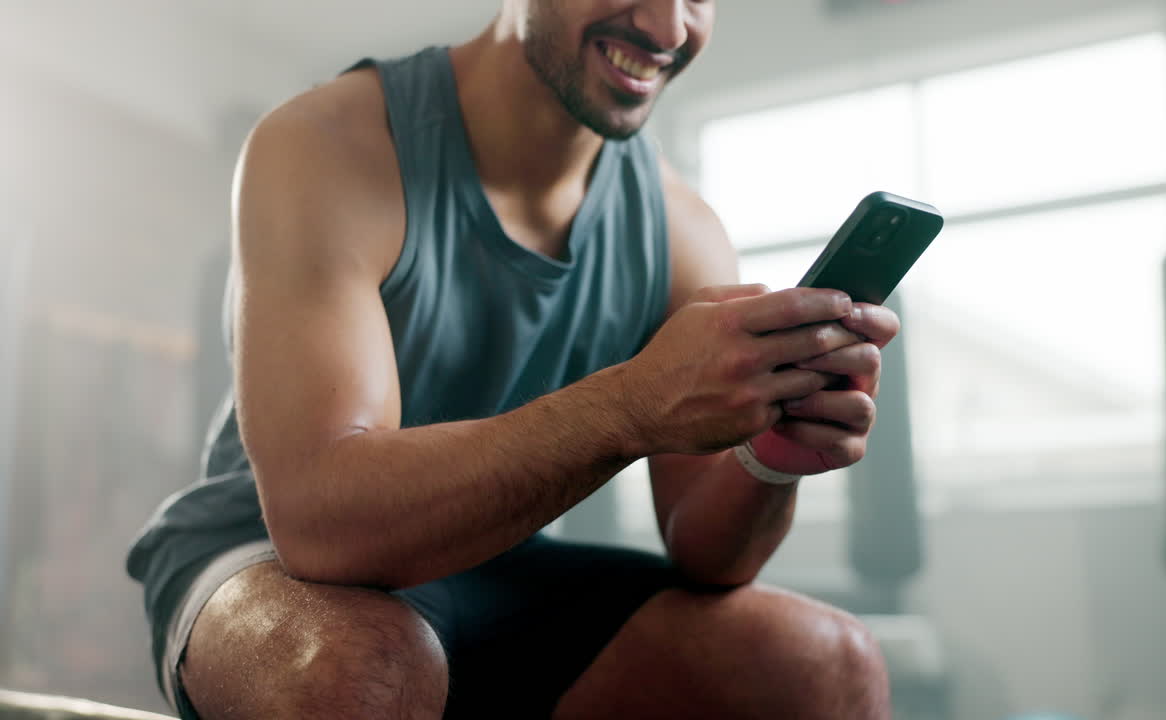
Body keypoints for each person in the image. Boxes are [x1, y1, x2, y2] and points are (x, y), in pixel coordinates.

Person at [126, 1, 900, 717]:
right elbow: (324, 528)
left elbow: (708, 556)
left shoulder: (682, 227)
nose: (667, 26)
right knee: (361, 672)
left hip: (493, 560)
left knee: (828, 663)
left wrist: (772, 452)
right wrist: (631, 406)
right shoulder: (326, 144)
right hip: (262, 555)